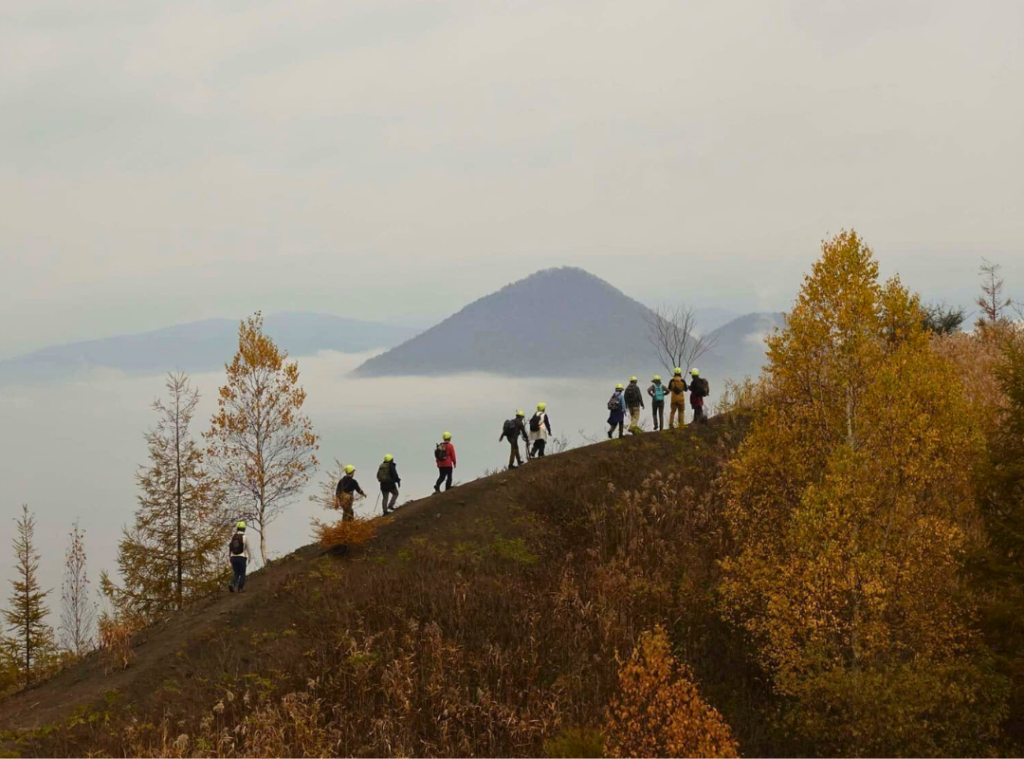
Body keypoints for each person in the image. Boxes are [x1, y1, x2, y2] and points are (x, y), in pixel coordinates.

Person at [228, 521, 251, 593]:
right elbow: (247, 548)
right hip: (242, 557)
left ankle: (232, 583)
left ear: (237, 528)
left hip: (233, 557)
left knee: (236, 573)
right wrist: (250, 557)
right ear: (244, 529)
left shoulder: (234, 537)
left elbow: (231, 547)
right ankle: (240, 588)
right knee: (242, 573)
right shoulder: (244, 537)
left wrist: (230, 557)